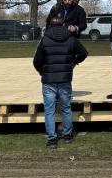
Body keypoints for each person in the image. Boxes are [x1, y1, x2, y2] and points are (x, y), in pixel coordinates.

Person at [32, 15, 89, 149]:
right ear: (63, 25)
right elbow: (84, 53)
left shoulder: (45, 40)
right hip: (64, 80)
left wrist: (42, 72)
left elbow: (36, 61)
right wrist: (74, 62)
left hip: (48, 81)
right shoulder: (71, 39)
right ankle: (68, 135)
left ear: (50, 25)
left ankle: (52, 139)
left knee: (49, 110)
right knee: (66, 108)